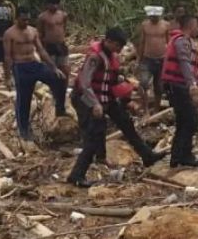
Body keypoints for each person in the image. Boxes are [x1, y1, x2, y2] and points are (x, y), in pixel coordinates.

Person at [67, 28, 166, 187]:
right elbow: (85, 83)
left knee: (126, 123)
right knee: (93, 136)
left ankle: (147, 156)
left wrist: (128, 85)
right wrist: (95, 104)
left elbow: (109, 78)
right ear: (109, 41)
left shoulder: (110, 56)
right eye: (118, 46)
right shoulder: (95, 57)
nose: (120, 50)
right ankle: (76, 175)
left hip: (106, 97)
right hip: (87, 99)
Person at [3, 7, 67, 142]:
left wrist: (54, 68)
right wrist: (8, 77)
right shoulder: (10, 34)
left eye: (27, 19)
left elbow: (42, 51)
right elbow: (8, 56)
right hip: (20, 67)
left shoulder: (33, 31)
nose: (25, 22)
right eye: (23, 19)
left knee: (59, 79)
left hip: (34, 64)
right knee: (24, 99)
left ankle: (60, 108)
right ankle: (24, 130)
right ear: (16, 19)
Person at [161, 15, 198, 168]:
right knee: (191, 120)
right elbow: (184, 63)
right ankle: (183, 155)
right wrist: (192, 84)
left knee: (183, 121)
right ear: (192, 25)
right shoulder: (181, 42)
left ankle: (178, 156)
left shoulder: (186, 42)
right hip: (177, 86)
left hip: (179, 85)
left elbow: (192, 66)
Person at [37, 0, 69, 116]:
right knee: (51, 71)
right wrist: (41, 49)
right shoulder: (42, 17)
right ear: (47, 4)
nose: (54, 6)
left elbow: (64, 27)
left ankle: (63, 92)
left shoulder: (63, 15)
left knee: (64, 69)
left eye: (57, 3)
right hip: (48, 46)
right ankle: (52, 92)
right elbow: (39, 33)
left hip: (61, 45)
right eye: (52, 3)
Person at [136, 6, 169, 112]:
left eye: (155, 17)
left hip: (162, 59)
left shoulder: (165, 25)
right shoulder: (145, 25)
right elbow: (142, 42)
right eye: (152, 17)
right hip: (147, 58)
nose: (154, 18)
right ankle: (145, 109)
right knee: (144, 83)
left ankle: (156, 109)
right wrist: (138, 59)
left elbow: (169, 42)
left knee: (159, 86)